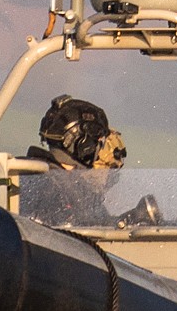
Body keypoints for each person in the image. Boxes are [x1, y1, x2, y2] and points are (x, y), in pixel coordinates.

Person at [15, 93, 124, 227]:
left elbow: (100, 223)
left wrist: (130, 218)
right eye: (98, 141)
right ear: (84, 143)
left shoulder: (29, 173)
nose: (99, 149)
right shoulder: (56, 187)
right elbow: (77, 231)